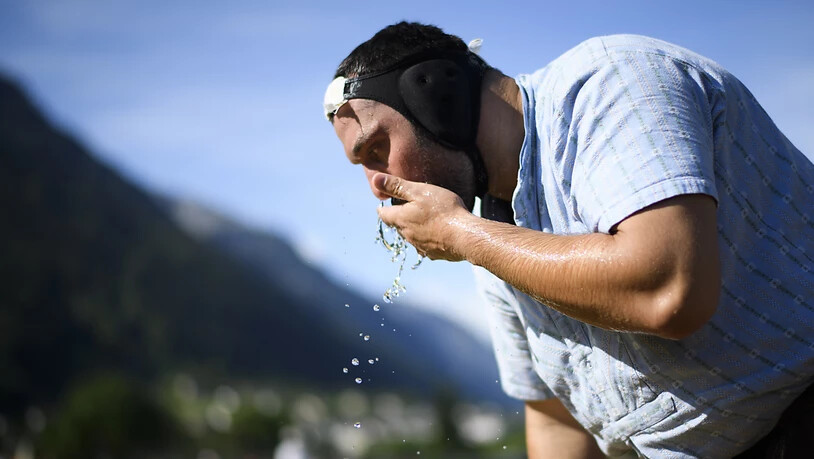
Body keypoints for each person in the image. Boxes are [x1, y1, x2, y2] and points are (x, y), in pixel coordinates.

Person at [323, 22, 814, 458]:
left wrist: (461, 233)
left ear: (433, 96)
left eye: (378, 149)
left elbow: (669, 289)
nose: (376, 184)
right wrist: (475, 236)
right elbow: (555, 417)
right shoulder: (492, 230)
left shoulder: (611, 82)